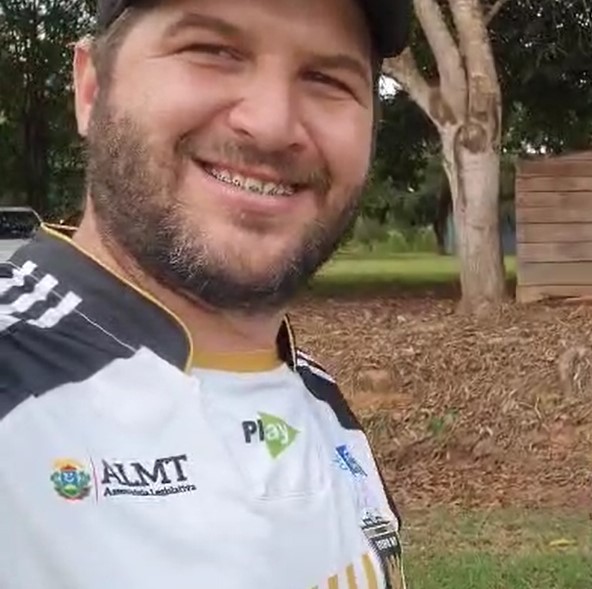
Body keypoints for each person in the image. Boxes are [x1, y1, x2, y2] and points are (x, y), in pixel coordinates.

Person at [0, 0, 412, 587]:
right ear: (91, 87)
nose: (271, 124)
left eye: (326, 79)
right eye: (212, 52)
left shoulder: (320, 400)